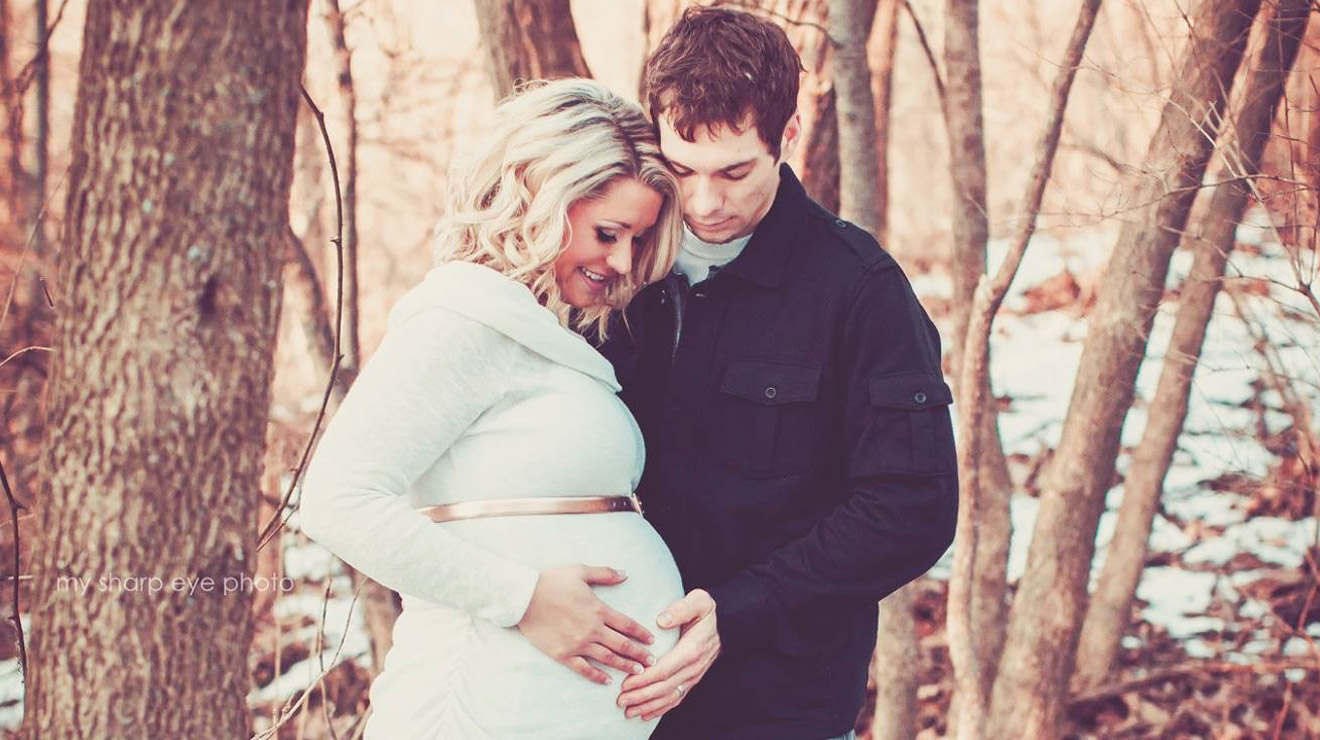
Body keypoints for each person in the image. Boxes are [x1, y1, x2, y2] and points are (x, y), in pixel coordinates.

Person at [603, 8, 959, 739]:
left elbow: (911, 507)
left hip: (778, 702)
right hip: (610, 692)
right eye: (682, 170)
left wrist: (738, 612)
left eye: (735, 171)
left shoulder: (860, 290)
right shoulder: (614, 268)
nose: (705, 203)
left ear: (788, 137)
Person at [299, 78, 692, 739]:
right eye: (608, 232)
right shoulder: (463, 317)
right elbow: (337, 499)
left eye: (636, 239)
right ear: (542, 195)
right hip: (481, 703)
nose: (623, 261)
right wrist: (524, 599)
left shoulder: (530, 328)